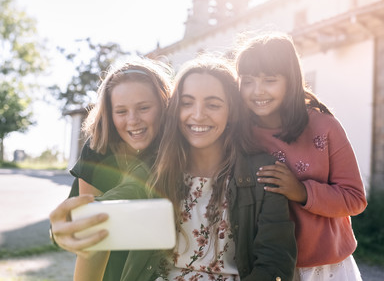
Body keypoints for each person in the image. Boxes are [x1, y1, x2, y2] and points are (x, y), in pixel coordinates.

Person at [119, 55, 297, 280]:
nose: (198, 115)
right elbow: (118, 199)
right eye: (187, 103)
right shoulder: (155, 168)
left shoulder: (263, 172)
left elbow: (275, 265)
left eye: (213, 104)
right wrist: (80, 209)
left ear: (231, 111)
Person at [235, 31, 367, 281]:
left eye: (270, 80)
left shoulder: (324, 126)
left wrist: (302, 192)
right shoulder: (240, 134)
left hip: (325, 266)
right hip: (265, 265)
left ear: (291, 80)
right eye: (248, 80)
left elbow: (355, 198)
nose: (257, 91)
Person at [50, 56, 173, 281]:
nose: (133, 120)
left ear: (164, 103)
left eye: (144, 107)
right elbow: (92, 234)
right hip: (111, 264)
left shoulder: (175, 148)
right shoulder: (98, 146)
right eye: (121, 111)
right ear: (109, 112)